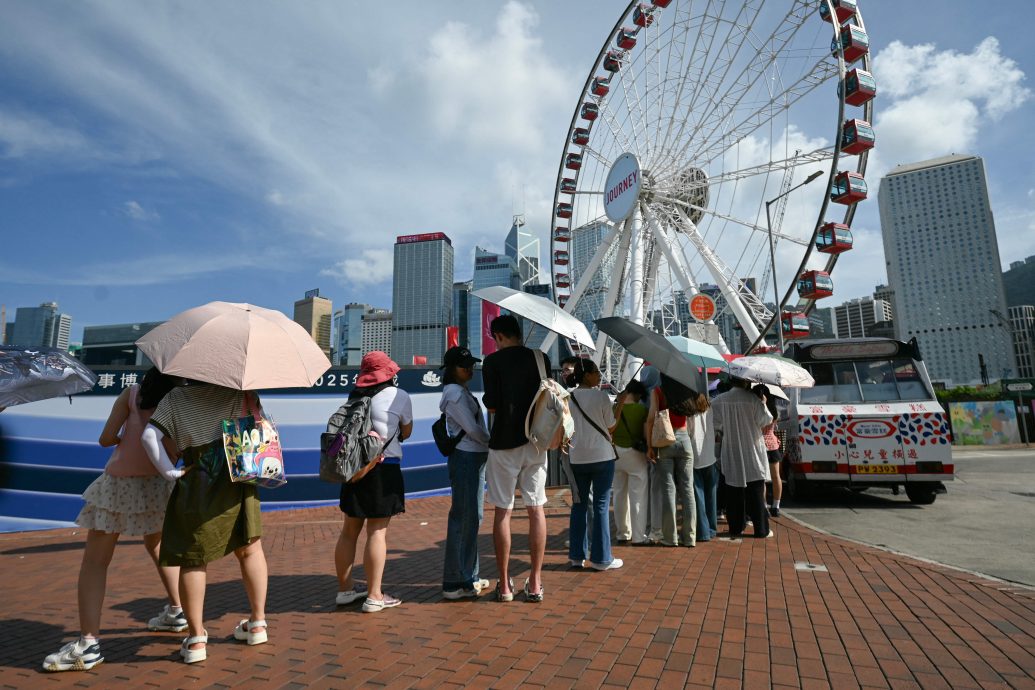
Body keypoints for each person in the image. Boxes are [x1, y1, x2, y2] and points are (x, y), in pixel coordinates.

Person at [43, 368, 184, 672]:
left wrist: (126, 437)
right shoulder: (181, 400)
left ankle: (88, 643)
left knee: (95, 562)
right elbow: (177, 450)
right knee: (160, 545)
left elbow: (106, 438)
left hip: (119, 485)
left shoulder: (131, 394)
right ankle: (177, 610)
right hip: (161, 486)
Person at [142, 379, 270, 664]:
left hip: (198, 476)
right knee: (250, 548)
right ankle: (258, 624)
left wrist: (168, 472)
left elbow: (148, 436)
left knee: (193, 558)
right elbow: (259, 426)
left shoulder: (176, 397)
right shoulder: (242, 390)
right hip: (239, 473)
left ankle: (197, 639)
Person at [334, 351, 413, 613]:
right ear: (389, 373)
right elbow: (406, 431)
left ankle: (345, 590)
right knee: (377, 532)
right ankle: (375, 595)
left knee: (349, 531)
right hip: (383, 469)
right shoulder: (399, 396)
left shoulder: (354, 395)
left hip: (355, 469)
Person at [481, 314, 550, 603]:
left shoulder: (493, 362)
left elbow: (493, 404)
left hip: (504, 442)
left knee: (503, 512)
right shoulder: (541, 357)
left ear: (498, 336)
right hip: (536, 442)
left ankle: (505, 585)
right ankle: (534, 582)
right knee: (536, 509)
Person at [439, 346, 491, 600]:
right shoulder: (456, 394)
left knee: (470, 517)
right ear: (451, 370)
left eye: (470, 364)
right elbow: (472, 429)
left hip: (470, 457)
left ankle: (468, 575)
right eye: (463, 366)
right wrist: (492, 442)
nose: (469, 369)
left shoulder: (460, 391)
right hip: (467, 457)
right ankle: (456, 580)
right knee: (465, 518)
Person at [566, 358, 622, 570]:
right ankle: (601, 558)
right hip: (602, 456)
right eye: (596, 372)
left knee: (579, 505)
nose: (599, 375)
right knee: (600, 505)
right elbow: (611, 427)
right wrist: (621, 402)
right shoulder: (600, 397)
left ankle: (576, 556)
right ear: (587, 375)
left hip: (577, 457)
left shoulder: (569, 398)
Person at [711, 378, 773, 539]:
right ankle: (761, 529)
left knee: (733, 493)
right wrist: (763, 402)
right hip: (752, 450)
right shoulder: (753, 399)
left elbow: (715, 425)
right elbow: (765, 420)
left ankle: (736, 527)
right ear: (746, 383)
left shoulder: (719, 400)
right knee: (756, 492)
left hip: (732, 451)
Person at [645, 376, 697, 547]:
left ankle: (671, 537)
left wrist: (649, 446)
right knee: (688, 488)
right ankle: (689, 537)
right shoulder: (685, 390)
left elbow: (651, 418)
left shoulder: (658, 392)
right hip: (684, 439)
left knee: (669, 488)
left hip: (665, 440)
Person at [611, 379, 650, 545]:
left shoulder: (614, 408)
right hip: (635, 455)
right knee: (638, 495)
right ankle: (639, 536)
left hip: (615, 454)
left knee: (619, 494)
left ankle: (622, 533)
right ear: (639, 394)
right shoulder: (642, 409)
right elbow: (645, 432)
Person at [690, 393, 719, 542]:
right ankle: (712, 528)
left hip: (694, 458)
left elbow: (688, 433)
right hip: (710, 456)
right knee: (711, 496)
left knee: (699, 497)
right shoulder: (710, 409)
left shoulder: (689, 412)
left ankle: (703, 532)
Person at [761, 389, 784, 518]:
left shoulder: (761, 409)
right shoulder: (775, 411)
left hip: (762, 447)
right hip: (774, 446)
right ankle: (776, 506)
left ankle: (764, 506)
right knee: (776, 477)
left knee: (762, 479)